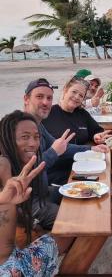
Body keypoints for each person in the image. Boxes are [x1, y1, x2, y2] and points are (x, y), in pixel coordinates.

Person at [0, 111, 74, 276]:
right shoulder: (3, 163)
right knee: (74, 225)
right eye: (25, 137)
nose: (33, 143)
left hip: (11, 258)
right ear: (8, 139)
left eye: (36, 137)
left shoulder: (24, 160)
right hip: (13, 266)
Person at [24, 78, 109, 193]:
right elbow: (27, 169)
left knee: (102, 186)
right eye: (39, 96)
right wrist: (54, 151)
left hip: (64, 175)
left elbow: (63, 146)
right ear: (26, 99)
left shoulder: (38, 125)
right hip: (38, 192)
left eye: (49, 98)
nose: (45, 102)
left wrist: (91, 148)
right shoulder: (21, 127)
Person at [42, 76, 112, 184]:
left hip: (83, 168)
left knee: (110, 178)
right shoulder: (47, 115)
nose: (76, 97)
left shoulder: (82, 114)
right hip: (58, 175)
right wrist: (90, 148)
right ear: (65, 90)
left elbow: (96, 130)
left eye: (81, 95)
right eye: (74, 92)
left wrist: (96, 136)